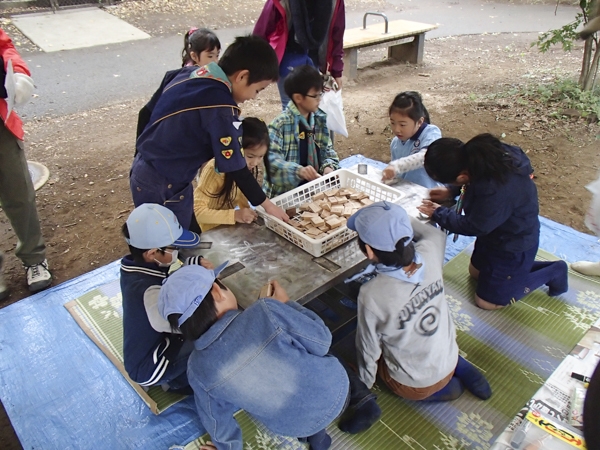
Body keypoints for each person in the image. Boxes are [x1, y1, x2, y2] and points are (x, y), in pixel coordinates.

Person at [158, 264, 381, 450]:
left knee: (302, 416)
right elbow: (322, 341)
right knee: (312, 360)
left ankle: (318, 441)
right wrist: (284, 305)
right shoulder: (265, 310)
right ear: (217, 291)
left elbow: (217, 419)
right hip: (335, 391)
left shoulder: (197, 370)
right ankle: (354, 405)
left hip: (291, 424)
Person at [130, 35, 289, 232]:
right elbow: (236, 167)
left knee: (188, 236)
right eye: (258, 90)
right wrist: (268, 205)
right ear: (242, 76)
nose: (253, 97)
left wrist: (140, 154)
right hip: (161, 183)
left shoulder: (187, 73)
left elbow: (145, 113)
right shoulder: (222, 108)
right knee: (161, 246)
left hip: (151, 172)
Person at [346, 201, 492, 402]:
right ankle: (461, 368)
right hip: (448, 356)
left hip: (413, 385)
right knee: (424, 331)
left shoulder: (371, 294)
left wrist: (364, 385)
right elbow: (432, 233)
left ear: (369, 252)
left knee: (352, 358)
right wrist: (394, 220)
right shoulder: (431, 249)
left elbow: (367, 349)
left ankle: (442, 391)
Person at [417, 134, 569, 310]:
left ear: (462, 176)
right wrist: (451, 190)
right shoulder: (479, 157)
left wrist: (439, 213)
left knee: (486, 302)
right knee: (475, 273)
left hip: (513, 244)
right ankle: (514, 274)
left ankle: (553, 271)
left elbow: (475, 225)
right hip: (494, 235)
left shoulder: (495, 191)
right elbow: (470, 187)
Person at [120, 203, 213, 394]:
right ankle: (176, 381)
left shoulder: (136, 268)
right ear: (152, 253)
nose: (177, 251)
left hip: (158, 338)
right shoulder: (147, 292)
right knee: (213, 339)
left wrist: (191, 267)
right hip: (151, 365)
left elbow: (168, 282)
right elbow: (180, 324)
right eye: (174, 247)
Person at [0, 28, 52, 299]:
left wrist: (17, 73)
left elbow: (5, 47)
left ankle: (34, 259)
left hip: (1, 122)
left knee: (18, 192)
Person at [264, 65, 340, 198]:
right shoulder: (279, 125)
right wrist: (298, 171)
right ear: (298, 98)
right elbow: (272, 162)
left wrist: (328, 168)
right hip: (285, 196)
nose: (320, 99)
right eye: (315, 96)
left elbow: (328, 151)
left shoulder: (318, 120)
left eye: (321, 94)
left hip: (313, 191)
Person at [253, 0, 345, 109]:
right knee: (290, 107)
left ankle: (307, 126)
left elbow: (337, 33)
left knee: (312, 105)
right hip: (288, 58)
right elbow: (263, 31)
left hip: (313, 58)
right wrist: (256, 66)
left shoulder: (335, 2)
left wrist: (337, 71)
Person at [136, 27, 221, 139]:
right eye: (210, 56)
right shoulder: (188, 79)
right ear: (194, 56)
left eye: (217, 55)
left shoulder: (199, 75)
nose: (215, 61)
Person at [194, 117, 271, 231]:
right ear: (236, 148)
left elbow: (240, 194)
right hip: (210, 232)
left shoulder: (245, 169)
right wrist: (235, 215)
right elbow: (197, 212)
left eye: (260, 157)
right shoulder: (215, 171)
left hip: (227, 230)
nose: (255, 163)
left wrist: (247, 212)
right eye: (250, 156)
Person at [380, 91, 442, 189]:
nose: (396, 129)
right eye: (392, 123)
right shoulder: (396, 143)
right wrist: (390, 176)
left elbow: (425, 157)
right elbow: (398, 175)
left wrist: (396, 166)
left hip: (429, 192)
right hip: (406, 192)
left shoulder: (431, 133)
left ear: (420, 121)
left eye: (402, 125)